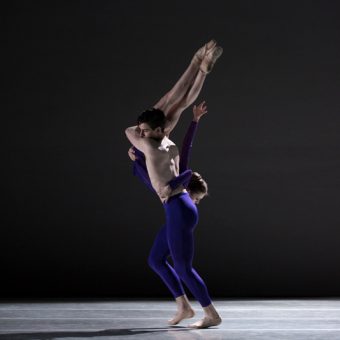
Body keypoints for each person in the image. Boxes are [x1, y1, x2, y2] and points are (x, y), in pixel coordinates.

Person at [125, 40, 222, 328]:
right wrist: (200, 73)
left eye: (145, 129)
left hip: (179, 207)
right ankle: (184, 307)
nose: (140, 131)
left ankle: (211, 314)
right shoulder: (166, 141)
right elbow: (178, 104)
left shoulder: (149, 145)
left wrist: (193, 65)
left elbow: (163, 104)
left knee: (183, 267)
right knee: (156, 260)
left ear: (155, 130)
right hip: (180, 206)